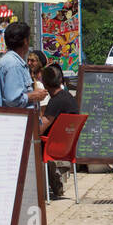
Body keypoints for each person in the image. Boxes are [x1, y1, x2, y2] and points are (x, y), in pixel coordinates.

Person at [40, 63, 79, 199]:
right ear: (61, 80)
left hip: (53, 147)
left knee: (31, 141)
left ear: (44, 84)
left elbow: (41, 128)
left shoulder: (55, 102)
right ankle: (53, 182)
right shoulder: (70, 98)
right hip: (69, 146)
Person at [0, 22, 48, 109]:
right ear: (25, 41)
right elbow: (12, 99)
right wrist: (33, 95)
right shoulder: (14, 65)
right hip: (16, 120)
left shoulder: (3, 62)